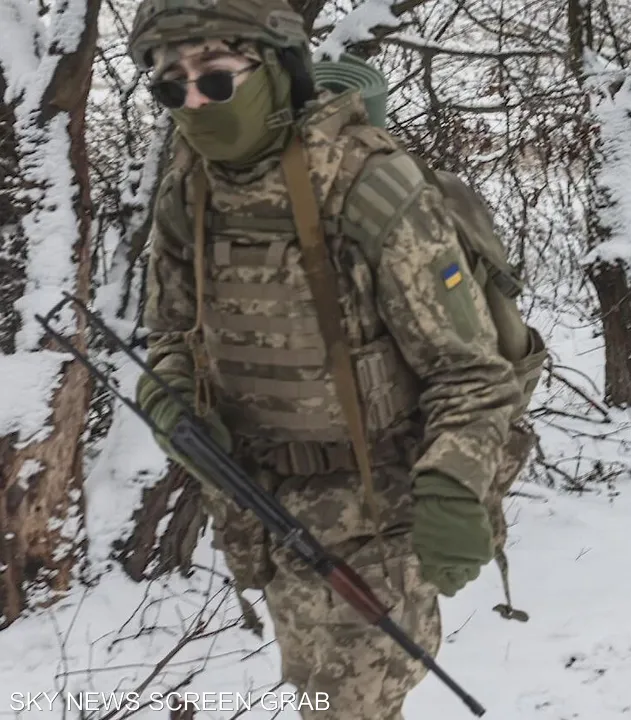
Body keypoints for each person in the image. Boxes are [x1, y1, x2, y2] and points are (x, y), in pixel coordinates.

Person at [127, 0, 530, 715]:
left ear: (277, 68)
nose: (194, 101)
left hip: (379, 512)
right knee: (320, 697)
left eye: (215, 79)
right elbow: (170, 335)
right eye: (171, 86)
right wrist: (168, 398)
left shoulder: (369, 187)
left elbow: (470, 374)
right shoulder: (190, 191)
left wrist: (453, 486)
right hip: (264, 502)